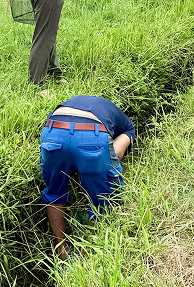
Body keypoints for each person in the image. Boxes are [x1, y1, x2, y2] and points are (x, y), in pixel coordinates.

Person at [40, 95, 135, 260]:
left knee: (55, 192)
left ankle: (61, 250)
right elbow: (117, 153)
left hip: (53, 130)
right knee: (105, 201)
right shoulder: (128, 127)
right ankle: (92, 253)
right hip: (92, 134)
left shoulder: (80, 103)